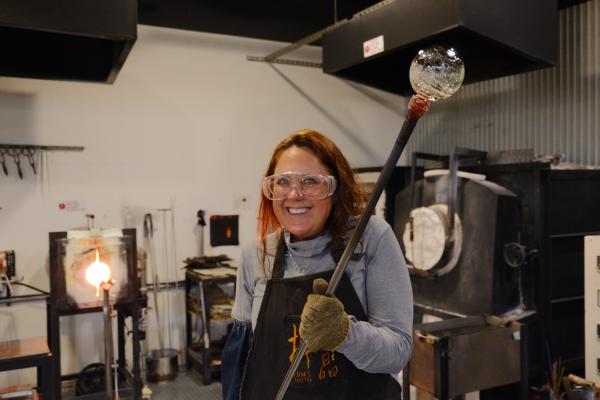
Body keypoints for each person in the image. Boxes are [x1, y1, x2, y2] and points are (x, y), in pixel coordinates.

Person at [222, 129, 413, 400]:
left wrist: (345, 334)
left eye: (311, 180)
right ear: (271, 190)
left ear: (335, 190)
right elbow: (240, 360)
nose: (295, 194)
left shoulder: (369, 239)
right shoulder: (257, 255)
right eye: (283, 182)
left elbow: (398, 353)